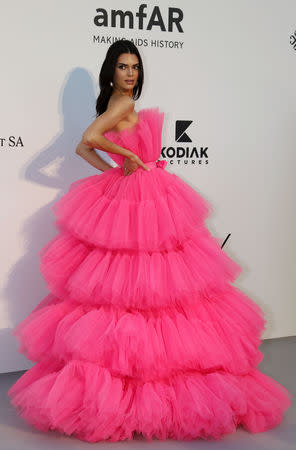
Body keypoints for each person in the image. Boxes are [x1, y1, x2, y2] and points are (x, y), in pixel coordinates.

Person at [8, 39, 292, 443]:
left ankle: (134, 390)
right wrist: (130, 161)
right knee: (152, 290)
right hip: (144, 194)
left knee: (137, 291)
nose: (130, 73)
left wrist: (117, 164)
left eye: (135, 66)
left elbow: (80, 145)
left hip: (142, 193)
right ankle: (142, 389)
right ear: (111, 71)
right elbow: (89, 137)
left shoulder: (118, 104)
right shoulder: (121, 105)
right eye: (123, 67)